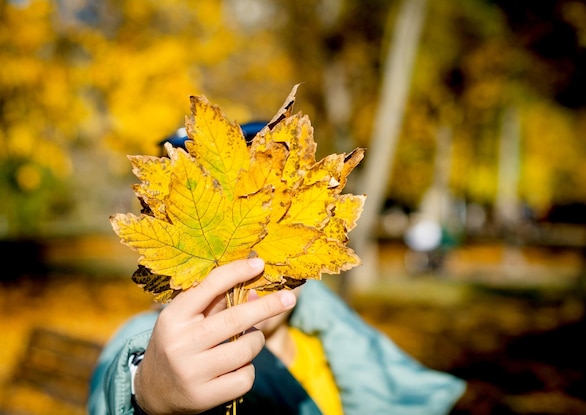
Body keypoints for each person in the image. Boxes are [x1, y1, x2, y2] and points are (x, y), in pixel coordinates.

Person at [88, 123, 466, 415]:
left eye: (265, 235)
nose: (246, 267)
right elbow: (126, 367)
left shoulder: (332, 332)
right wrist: (147, 393)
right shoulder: (158, 341)